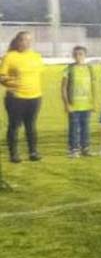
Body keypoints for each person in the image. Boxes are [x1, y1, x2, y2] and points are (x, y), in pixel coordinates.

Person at [0, 31, 44, 163]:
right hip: (16, 98)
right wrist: (11, 83)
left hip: (35, 97)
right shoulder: (10, 57)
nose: (27, 43)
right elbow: (2, 77)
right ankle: (14, 154)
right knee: (14, 126)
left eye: (29, 40)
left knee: (31, 125)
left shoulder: (36, 56)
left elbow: (37, 75)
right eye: (24, 40)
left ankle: (33, 152)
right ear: (18, 41)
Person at [62, 45, 96, 158]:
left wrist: (93, 103)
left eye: (80, 54)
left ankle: (85, 148)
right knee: (74, 128)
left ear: (85, 55)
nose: (78, 56)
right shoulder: (69, 69)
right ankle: (73, 149)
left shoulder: (89, 68)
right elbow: (63, 88)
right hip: (74, 105)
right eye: (75, 54)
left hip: (86, 105)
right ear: (73, 56)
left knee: (86, 127)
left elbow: (93, 87)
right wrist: (66, 104)